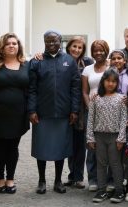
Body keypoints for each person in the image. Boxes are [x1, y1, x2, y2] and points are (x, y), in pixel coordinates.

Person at [28, 30, 81, 194]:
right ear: (44, 42)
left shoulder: (69, 61)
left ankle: (58, 181)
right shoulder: (36, 62)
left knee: (61, 148)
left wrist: (74, 110)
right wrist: (31, 110)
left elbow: (75, 87)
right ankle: (41, 180)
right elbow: (31, 89)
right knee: (41, 148)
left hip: (63, 113)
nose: (51, 44)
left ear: (60, 42)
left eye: (55, 41)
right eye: (48, 41)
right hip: (42, 113)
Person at [0, 33, 29, 194]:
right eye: (8, 43)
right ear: (1, 47)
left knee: (13, 147)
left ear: (19, 47)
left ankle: (10, 179)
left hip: (18, 114)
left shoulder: (26, 65)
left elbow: (31, 89)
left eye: (14, 43)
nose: (11, 46)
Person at [86, 68, 127, 203]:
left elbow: (123, 120)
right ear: (103, 81)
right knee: (101, 164)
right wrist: (90, 137)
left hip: (115, 137)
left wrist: (121, 138)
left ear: (117, 83)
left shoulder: (122, 99)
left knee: (116, 164)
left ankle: (119, 191)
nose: (110, 84)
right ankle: (101, 190)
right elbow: (90, 119)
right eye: (108, 81)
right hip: (99, 136)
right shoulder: (96, 98)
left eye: (114, 82)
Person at [63, 36, 94, 189]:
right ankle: (71, 175)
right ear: (68, 47)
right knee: (70, 142)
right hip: (66, 106)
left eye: (79, 47)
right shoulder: (62, 60)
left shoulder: (87, 63)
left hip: (82, 108)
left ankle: (79, 177)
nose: (76, 49)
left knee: (81, 144)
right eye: (74, 46)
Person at [82, 40, 110, 192]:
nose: (98, 53)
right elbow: (85, 92)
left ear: (106, 50)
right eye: (95, 50)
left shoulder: (112, 67)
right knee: (92, 145)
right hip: (91, 112)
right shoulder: (87, 69)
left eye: (101, 50)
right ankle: (93, 179)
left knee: (110, 146)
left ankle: (111, 179)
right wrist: (90, 108)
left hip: (110, 112)